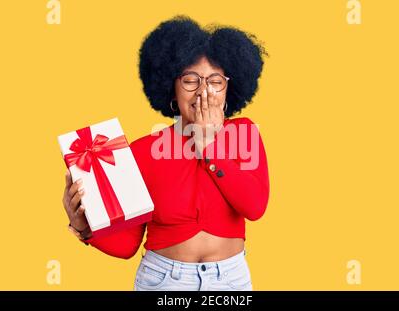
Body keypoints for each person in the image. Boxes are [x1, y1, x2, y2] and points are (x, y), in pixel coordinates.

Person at [62, 15, 269, 291]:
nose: (203, 91)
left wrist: (208, 144)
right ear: (171, 88)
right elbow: (127, 246)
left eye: (215, 81)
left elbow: (254, 207)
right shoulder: (143, 151)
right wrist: (84, 228)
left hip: (230, 281)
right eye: (190, 80)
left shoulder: (245, 133)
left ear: (229, 89)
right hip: (161, 281)